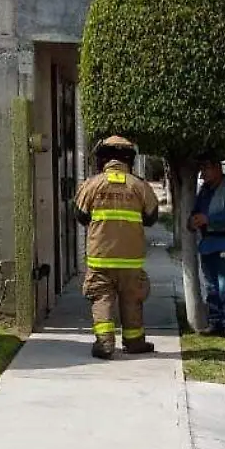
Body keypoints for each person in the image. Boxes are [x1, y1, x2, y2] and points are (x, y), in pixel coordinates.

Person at [75, 136, 161, 360]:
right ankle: (134, 342)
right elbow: (152, 218)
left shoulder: (92, 185)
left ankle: (105, 343)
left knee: (101, 298)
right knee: (132, 299)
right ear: (129, 159)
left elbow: (80, 215)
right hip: (131, 260)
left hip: (100, 259)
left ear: (102, 158)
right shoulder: (139, 186)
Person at [190, 154, 225, 345]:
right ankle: (215, 322)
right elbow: (196, 211)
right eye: (201, 169)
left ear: (217, 168)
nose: (203, 173)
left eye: (206, 169)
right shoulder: (205, 190)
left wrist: (210, 219)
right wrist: (193, 220)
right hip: (208, 244)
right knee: (212, 287)